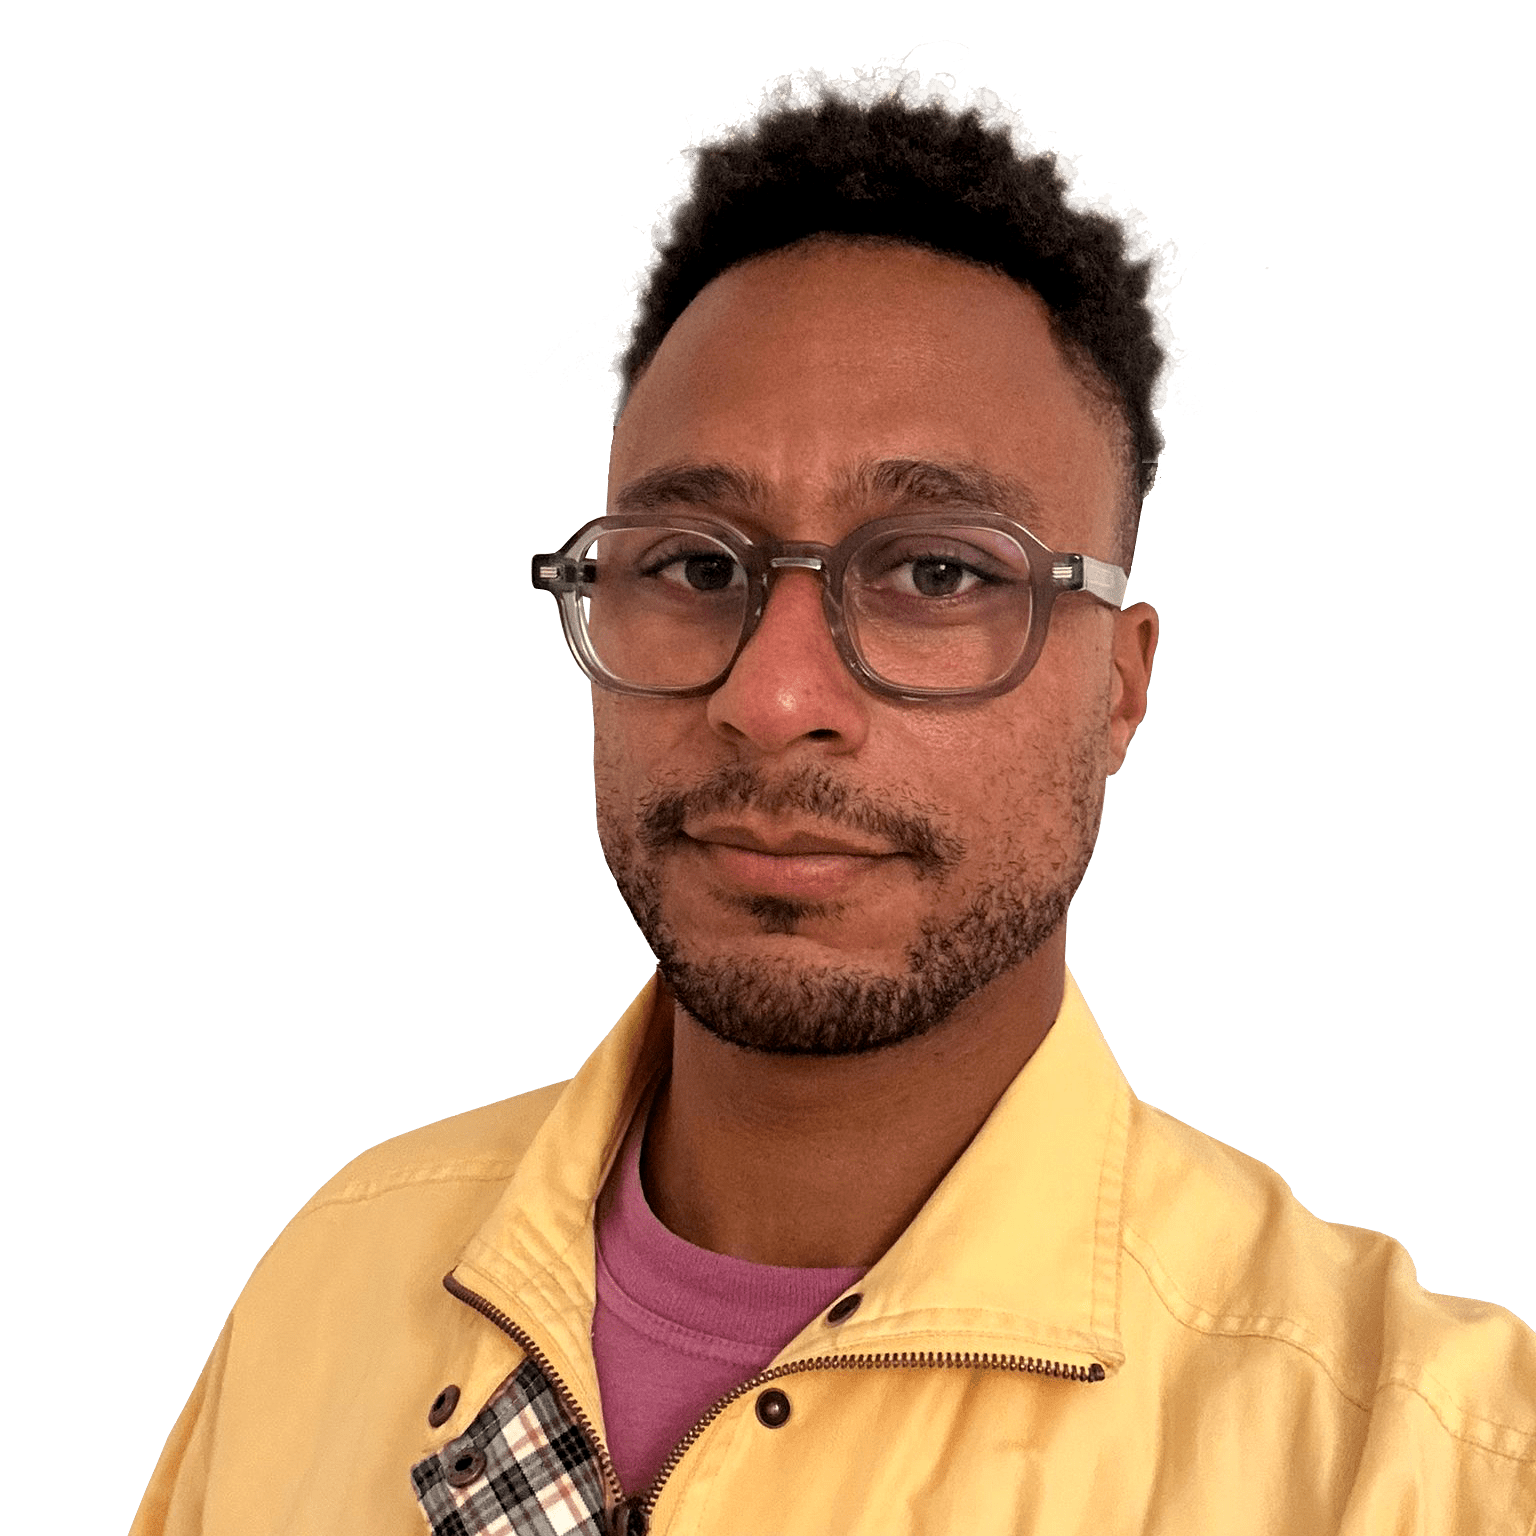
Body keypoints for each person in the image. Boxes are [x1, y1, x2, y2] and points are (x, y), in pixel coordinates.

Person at [132, 63, 1535, 1536]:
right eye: (690, 565)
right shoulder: (329, 1286)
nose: (773, 694)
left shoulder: (1428, 1468)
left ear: (1121, 688)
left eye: (938, 571)